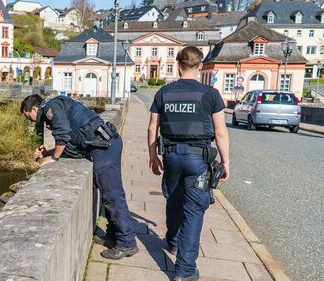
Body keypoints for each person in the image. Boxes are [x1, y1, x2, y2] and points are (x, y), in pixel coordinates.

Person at [147, 46, 230, 281]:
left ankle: (172, 242)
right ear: (200, 66)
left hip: (171, 157)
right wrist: (226, 162)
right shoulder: (210, 94)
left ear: (178, 65)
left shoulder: (164, 93)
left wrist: (153, 156)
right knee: (193, 212)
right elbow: (220, 132)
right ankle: (184, 271)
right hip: (198, 160)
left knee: (174, 200)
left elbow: (153, 127)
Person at [21, 94, 137, 260]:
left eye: (29, 116)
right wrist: (47, 152)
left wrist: (53, 159)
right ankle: (114, 236)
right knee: (108, 196)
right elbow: (70, 145)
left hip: (104, 147)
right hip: (103, 145)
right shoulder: (56, 106)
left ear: (34, 108)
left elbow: (63, 134)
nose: (31, 121)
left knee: (113, 196)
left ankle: (127, 243)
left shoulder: (50, 108)